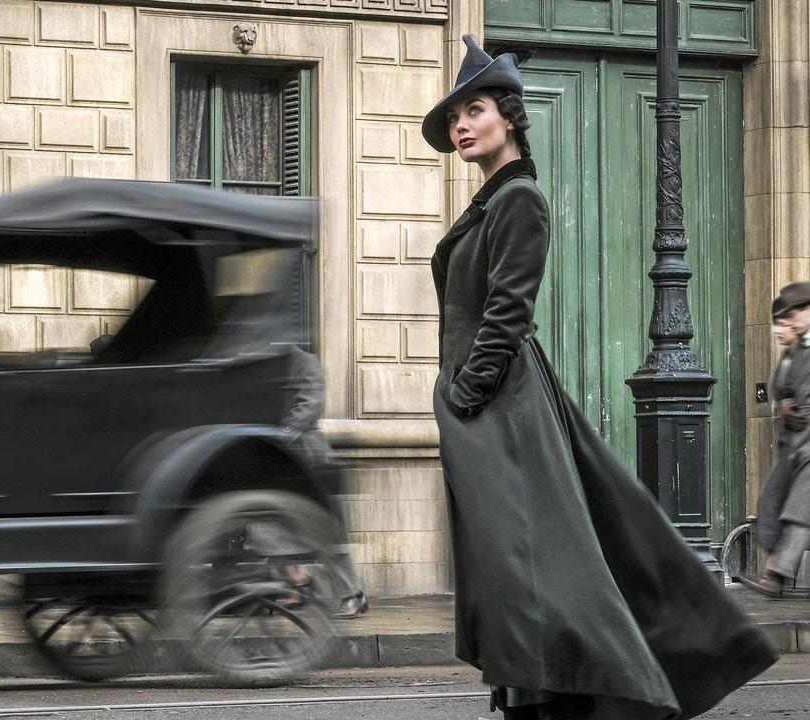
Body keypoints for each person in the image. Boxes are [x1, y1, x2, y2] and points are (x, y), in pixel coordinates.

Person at [422, 34, 777, 720]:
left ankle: (575, 687)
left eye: (475, 111)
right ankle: (536, 687)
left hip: (500, 406)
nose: (463, 126)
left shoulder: (519, 200)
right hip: (490, 407)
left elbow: (506, 312)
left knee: (529, 557)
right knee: (526, 556)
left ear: (510, 116)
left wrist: (464, 396)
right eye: (457, 118)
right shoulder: (492, 201)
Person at [281, 346, 368, 619]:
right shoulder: (270, 364)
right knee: (267, 531)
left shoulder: (305, 362)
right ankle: (298, 584)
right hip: (280, 463)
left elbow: (309, 406)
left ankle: (352, 595)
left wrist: (279, 434)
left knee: (327, 535)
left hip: (310, 458)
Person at [749, 283, 810, 596]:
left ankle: (776, 574)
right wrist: (783, 401)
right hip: (794, 446)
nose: (787, 322)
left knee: (800, 510)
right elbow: (784, 386)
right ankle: (773, 571)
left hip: (806, 447)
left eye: (795, 312)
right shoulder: (795, 349)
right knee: (772, 501)